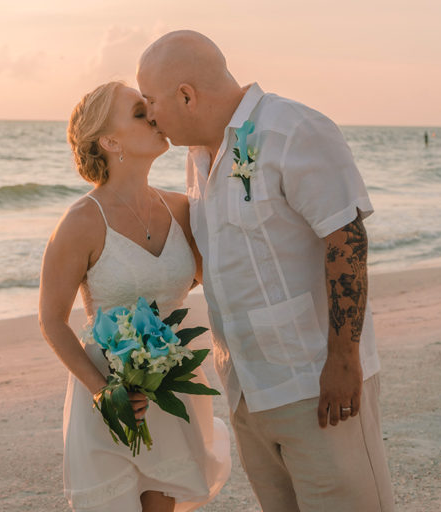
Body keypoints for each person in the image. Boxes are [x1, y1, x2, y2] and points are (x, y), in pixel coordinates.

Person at [138, 31, 394, 511]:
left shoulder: (293, 130)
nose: (149, 113)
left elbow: (347, 241)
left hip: (316, 383)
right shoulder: (198, 157)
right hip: (245, 389)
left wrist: (343, 362)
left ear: (187, 95)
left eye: (151, 101)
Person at [38, 81, 230, 512]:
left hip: (172, 387)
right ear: (109, 140)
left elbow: (212, 275)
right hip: (110, 392)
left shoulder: (181, 209)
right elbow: (51, 320)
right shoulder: (81, 222)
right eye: (140, 114)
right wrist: (104, 392)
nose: (155, 117)